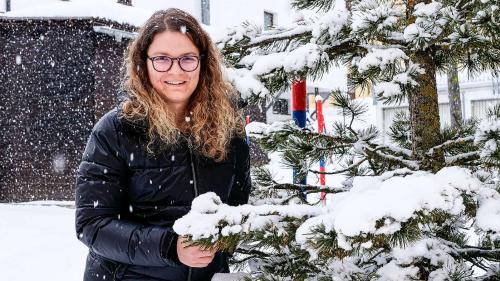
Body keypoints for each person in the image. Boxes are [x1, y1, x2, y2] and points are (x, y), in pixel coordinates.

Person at [75, 8, 251, 281]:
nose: (176, 70)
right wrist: (169, 246)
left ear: (204, 63)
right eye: (162, 59)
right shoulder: (114, 131)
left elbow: (236, 209)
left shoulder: (229, 131)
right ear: (143, 63)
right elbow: (93, 226)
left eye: (187, 59)